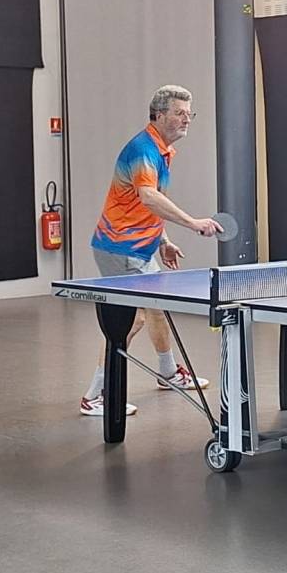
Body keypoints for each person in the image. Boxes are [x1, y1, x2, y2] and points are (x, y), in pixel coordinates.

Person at [81, 85, 222, 417]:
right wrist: (193, 223)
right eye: (179, 113)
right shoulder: (144, 150)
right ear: (159, 115)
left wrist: (163, 241)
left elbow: (147, 204)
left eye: (189, 113)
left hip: (140, 248)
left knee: (158, 309)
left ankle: (168, 372)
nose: (187, 119)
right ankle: (96, 395)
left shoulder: (163, 150)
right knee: (132, 319)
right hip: (120, 247)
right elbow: (148, 197)